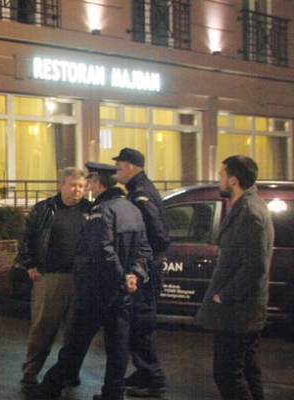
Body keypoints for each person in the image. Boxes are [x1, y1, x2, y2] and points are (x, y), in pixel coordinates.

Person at [24, 162, 151, 400]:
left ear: (100, 184)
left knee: (76, 342)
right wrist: (134, 274)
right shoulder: (132, 209)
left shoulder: (101, 211)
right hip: (122, 294)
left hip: (97, 291)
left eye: (89, 183)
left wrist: (122, 276)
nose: (87, 188)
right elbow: (144, 249)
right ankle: (113, 393)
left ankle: (50, 386)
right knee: (118, 347)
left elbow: (102, 250)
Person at [194, 155, 273, 400]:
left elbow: (255, 265)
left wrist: (224, 296)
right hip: (244, 311)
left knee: (228, 376)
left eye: (221, 175)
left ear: (233, 180)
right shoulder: (251, 206)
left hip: (237, 313)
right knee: (248, 372)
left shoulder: (249, 212)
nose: (219, 180)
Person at [16, 167, 91, 386]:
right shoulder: (45, 209)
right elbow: (26, 237)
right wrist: (30, 265)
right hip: (50, 277)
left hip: (80, 279)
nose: (77, 190)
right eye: (73, 185)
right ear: (61, 185)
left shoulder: (90, 210)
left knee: (74, 332)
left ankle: (70, 372)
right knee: (43, 328)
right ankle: (30, 372)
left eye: (81, 186)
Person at [112, 148, 170, 397]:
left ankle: (153, 380)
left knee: (140, 326)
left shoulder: (141, 194)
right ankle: (143, 373)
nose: (117, 171)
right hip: (147, 268)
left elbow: (158, 235)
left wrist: (144, 260)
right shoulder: (141, 189)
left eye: (119, 165)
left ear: (130, 167)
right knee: (139, 325)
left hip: (144, 272)